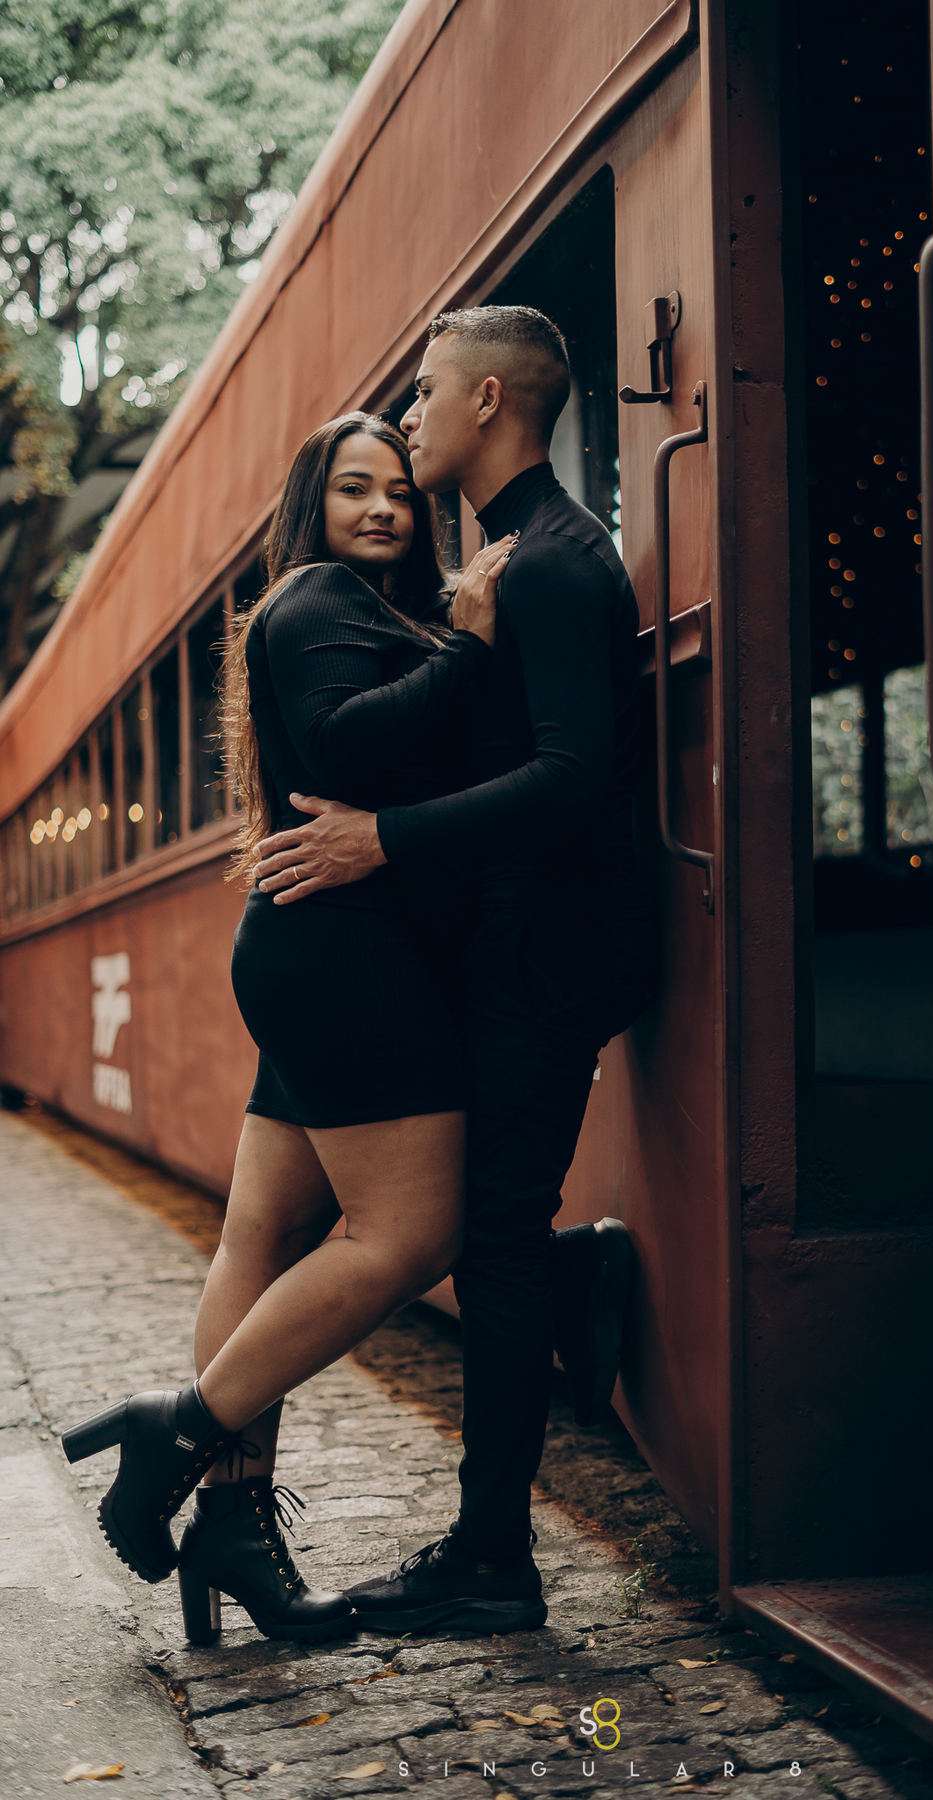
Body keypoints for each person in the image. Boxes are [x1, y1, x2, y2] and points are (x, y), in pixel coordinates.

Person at [61, 411, 515, 1647]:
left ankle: (230, 1528)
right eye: (353, 489)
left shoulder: (353, 609)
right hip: (348, 959)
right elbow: (343, 741)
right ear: (312, 502)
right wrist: (471, 651)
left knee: (258, 1240)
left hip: (315, 953)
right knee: (412, 1231)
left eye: (399, 493)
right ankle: (184, 1433)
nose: (383, 509)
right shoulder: (318, 602)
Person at [251, 305, 657, 1637]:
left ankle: (492, 1560)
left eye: (425, 396)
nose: (410, 417)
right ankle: (572, 1281)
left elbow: (572, 775)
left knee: (483, 1235)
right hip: (522, 942)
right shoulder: (511, 563)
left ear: (489, 402)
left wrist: (382, 841)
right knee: (492, 1225)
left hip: (548, 952)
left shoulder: (545, 561)